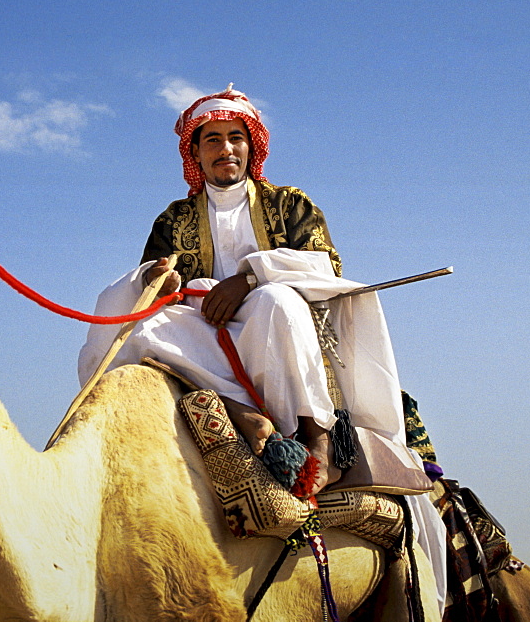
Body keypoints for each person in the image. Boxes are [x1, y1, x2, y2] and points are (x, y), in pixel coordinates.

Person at [77, 85, 448, 612]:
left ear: (251, 148)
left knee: (278, 302)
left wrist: (250, 277)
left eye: (235, 138)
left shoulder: (290, 204)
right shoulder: (173, 220)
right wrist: (156, 277)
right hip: (205, 329)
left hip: (279, 324)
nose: (225, 149)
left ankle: (313, 440)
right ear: (195, 152)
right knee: (140, 329)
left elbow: (326, 267)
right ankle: (241, 413)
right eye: (212, 140)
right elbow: (155, 288)